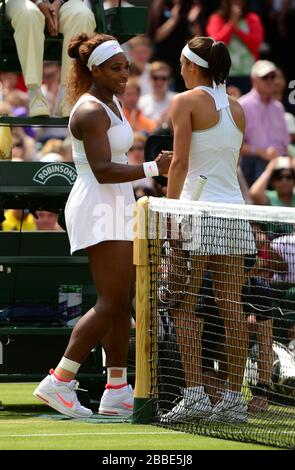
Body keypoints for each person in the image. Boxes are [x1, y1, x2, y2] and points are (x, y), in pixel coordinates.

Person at [33, 32, 171, 418]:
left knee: (121, 297)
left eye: (126, 67)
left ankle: (116, 388)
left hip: (117, 205)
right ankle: (59, 380)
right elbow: (102, 170)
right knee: (111, 302)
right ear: (95, 69)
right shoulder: (91, 110)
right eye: (116, 68)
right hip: (97, 205)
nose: (124, 74)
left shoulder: (112, 102)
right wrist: (152, 169)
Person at [163, 36, 257, 424]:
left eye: (182, 64)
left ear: (190, 66)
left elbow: (181, 163)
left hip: (197, 213)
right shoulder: (237, 108)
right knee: (230, 305)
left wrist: (167, 214)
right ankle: (233, 400)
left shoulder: (183, 102)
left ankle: (196, 395)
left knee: (184, 304)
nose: (181, 70)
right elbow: (221, 162)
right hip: (233, 213)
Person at [5, 0, 96, 117]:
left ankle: (69, 95)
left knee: (83, 15)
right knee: (29, 14)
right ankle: (35, 94)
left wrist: (58, 2)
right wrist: (39, 2)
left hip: (63, 3)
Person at [239, 60, 290, 187]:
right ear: (254, 80)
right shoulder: (242, 105)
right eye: (264, 77)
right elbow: (234, 144)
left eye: (272, 77)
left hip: (279, 164)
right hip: (254, 165)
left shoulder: (278, 107)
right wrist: (260, 152)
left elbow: (285, 144)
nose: (269, 80)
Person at [206, 0, 264, 94]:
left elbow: (256, 43)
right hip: (224, 75)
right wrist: (231, 24)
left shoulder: (252, 18)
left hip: (249, 74)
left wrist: (238, 31)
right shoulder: (216, 18)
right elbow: (216, 43)